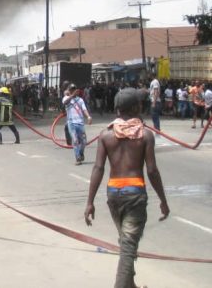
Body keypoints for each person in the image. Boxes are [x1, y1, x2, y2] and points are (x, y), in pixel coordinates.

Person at [84, 88, 169, 288]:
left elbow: (98, 168)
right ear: (135, 108)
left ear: (116, 109)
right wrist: (163, 201)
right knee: (128, 247)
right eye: (139, 105)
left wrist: (90, 202)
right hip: (135, 194)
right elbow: (152, 171)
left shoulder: (105, 135)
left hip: (114, 193)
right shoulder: (145, 135)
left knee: (126, 243)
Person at [63, 83, 92, 164]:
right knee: (75, 140)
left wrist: (88, 117)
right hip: (71, 123)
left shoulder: (80, 100)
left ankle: (81, 152)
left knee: (83, 141)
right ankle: (77, 157)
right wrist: (71, 96)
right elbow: (65, 103)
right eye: (71, 89)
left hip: (80, 123)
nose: (73, 91)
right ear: (69, 90)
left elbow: (84, 109)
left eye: (74, 89)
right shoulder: (66, 98)